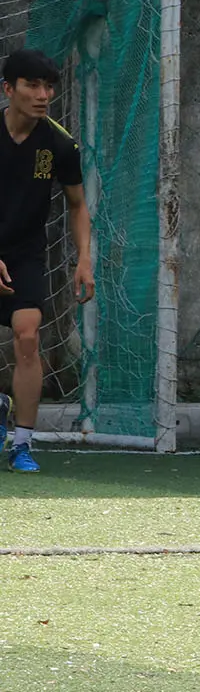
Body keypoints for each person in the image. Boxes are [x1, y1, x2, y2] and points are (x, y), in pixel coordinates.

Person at [0, 49, 91, 474]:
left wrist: (84, 259)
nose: (42, 95)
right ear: (9, 89)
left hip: (24, 254)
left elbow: (77, 204)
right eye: (32, 85)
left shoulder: (59, 143)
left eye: (48, 87)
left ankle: (22, 445)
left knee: (28, 335)